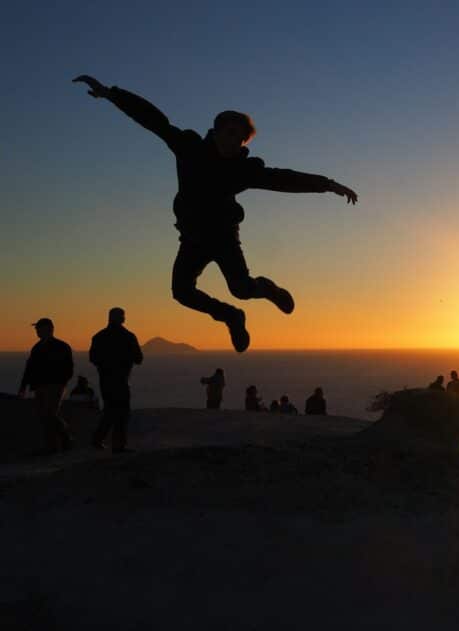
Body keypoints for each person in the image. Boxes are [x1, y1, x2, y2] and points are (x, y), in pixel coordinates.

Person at [72, 75, 359, 353]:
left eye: (242, 138)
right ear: (217, 130)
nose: (235, 141)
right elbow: (153, 120)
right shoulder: (189, 147)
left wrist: (328, 185)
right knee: (182, 292)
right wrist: (111, 94)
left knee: (242, 289)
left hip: (223, 236)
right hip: (193, 237)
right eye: (231, 133)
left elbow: (284, 179)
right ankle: (231, 317)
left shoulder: (243, 171)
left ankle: (269, 290)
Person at [89, 308, 144, 452]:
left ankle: (98, 439)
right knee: (122, 412)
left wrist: (105, 364)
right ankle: (118, 445)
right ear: (122, 319)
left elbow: (93, 358)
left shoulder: (99, 336)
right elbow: (139, 358)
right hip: (121, 379)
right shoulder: (128, 336)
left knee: (110, 409)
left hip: (105, 380)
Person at [17, 318, 75, 453]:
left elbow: (68, 367)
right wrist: (23, 387)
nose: (36, 331)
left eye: (39, 328)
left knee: (49, 414)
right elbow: (29, 368)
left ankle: (58, 442)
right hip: (40, 386)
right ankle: (58, 442)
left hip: (55, 386)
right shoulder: (36, 348)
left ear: (49, 329)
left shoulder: (61, 346)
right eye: (37, 328)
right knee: (44, 416)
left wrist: (61, 383)